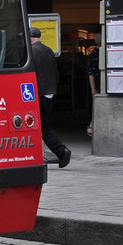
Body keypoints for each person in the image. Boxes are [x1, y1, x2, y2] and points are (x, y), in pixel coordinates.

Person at [30, 27, 70, 168]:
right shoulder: (48, 51)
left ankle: (61, 152)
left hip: (38, 94)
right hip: (49, 93)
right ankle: (60, 152)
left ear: (30, 38)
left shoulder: (31, 53)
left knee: (42, 127)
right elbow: (55, 73)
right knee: (44, 125)